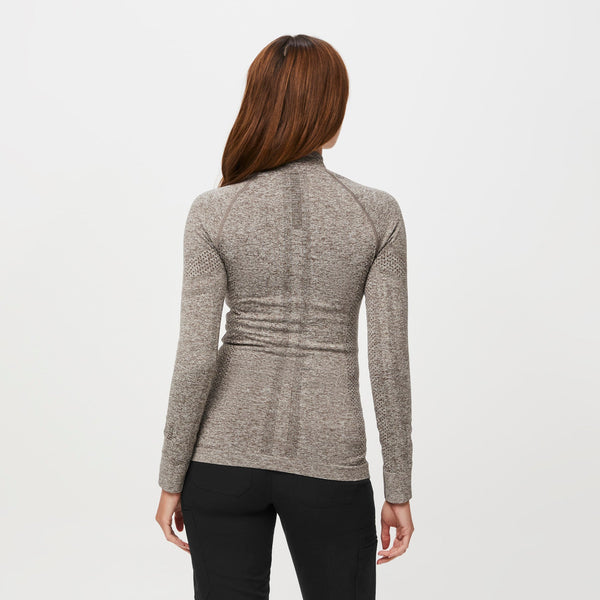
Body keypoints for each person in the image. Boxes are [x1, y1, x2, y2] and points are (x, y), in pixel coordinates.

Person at [155, 34, 415, 600]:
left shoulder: (213, 211)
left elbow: (196, 357)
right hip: (330, 460)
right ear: (330, 109)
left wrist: (171, 475)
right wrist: (399, 486)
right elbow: (388, 360)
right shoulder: (377, 213)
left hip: (220, 462)